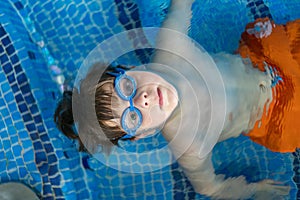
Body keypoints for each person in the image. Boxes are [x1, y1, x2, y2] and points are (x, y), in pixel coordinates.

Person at [54, 0, 298, 199]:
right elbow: (209, 188)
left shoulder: (172, 45)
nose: (143, 99)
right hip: (276, 115)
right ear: (142, 134)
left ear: (128, 67)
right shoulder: (188, 143)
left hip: (263, 57)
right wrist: (254, 189)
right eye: (131, 117)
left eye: (126, 86)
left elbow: (181, 5)